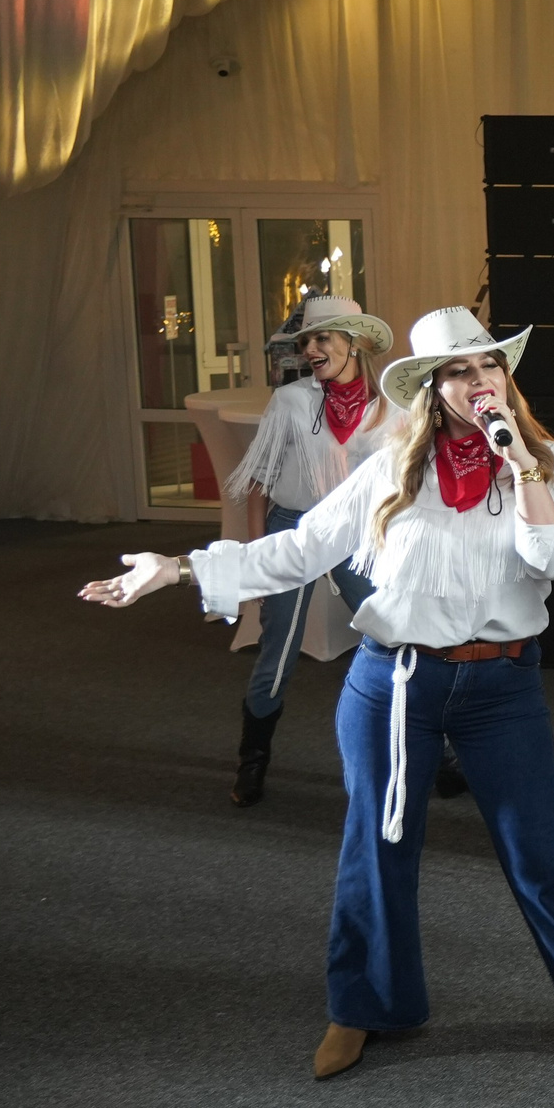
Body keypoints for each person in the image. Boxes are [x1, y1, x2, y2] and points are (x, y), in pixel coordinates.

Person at [80, 308, 554, 1084]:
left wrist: (521, 465)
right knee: (376, 849)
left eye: (489, 365)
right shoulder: (389, 467)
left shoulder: (546, 462)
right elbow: (301, 547)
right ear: (431, 388)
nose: (479, 380)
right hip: (394, 681)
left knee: (542, 855)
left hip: (501, 686)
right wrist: (177, 568)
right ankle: (366, 1003)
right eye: (457, 370)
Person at [222, 294, 399, 807]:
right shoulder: (291, 400)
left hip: (357, 533)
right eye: (306, 341)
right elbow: (259, 482)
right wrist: (258, 557)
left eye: (323, 338)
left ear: (354, 343)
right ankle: (253, 759)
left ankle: (437, 753)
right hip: (292, 527)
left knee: (397, 634)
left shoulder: (391, 406)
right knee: (277, 651)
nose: (311, 350)